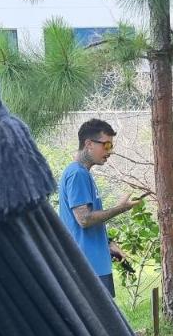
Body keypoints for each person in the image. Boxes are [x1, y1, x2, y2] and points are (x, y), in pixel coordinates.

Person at [57, 118, 141, 297]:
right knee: (100, 324)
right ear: (88, 144)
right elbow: (84, 220)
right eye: (107, 145)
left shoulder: (83, 174)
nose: (110, 151)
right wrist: (121, 208)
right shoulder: (77, 174)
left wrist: (108, 244)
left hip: (94, 264)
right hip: (87, 268)